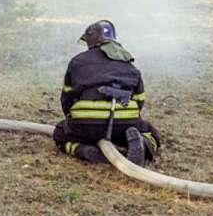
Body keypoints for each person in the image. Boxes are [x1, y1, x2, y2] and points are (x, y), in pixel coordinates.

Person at [53, 20, 161, 165]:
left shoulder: (78, 61)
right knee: (151, 132)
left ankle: (84, 150)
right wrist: (128, 120)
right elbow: (139, 100)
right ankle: (143, 142)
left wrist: (72, 120)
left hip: (87, 124)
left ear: (90, 41)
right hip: (123, 123)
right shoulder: (129, 65)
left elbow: (67, 97)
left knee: (60, 133)